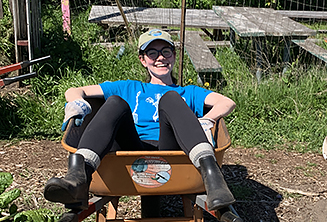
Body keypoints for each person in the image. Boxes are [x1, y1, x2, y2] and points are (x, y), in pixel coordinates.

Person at [44, 29, 236, 211]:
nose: (160, 58)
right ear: (143, 60)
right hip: (131, 149)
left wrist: (206, 120)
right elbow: (76, 90)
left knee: (170, 98)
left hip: (172, 151)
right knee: (114, 103)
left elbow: (226, 102)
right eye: (152, 53)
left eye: (166, 52)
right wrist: (78, 103)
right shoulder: (129, 88)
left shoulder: (189, 92)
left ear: (174, 56)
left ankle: (213, 178)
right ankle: (79, 177)